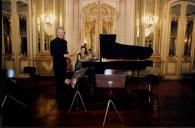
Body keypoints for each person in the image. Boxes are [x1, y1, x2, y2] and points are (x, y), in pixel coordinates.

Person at [50, 27, 73, 109]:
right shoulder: (53, 42)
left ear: (64, 33)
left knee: (64, 81)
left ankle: (63, 99)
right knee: (59, 81)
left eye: (62, 32)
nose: (60, 33)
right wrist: (64, 55)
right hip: (57, 65)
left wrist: (68, 54)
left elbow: (65, 52)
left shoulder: (65, 42)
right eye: (59, 32)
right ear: (57, 33)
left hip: (63, 65)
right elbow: (53, 54)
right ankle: (59, 100)